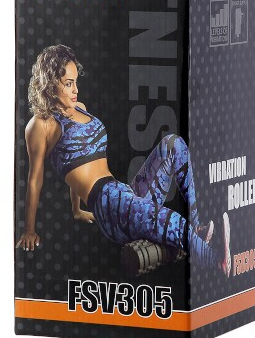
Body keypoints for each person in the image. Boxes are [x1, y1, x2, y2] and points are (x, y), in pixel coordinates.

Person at [15, 44, 231, 276]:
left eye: (76, 81)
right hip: (109, 208)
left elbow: (75, 162)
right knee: (173, 220)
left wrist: (77, 210)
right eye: (68, 84)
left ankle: (197, 228)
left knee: (173, 144)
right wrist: (29, 230)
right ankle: (216, 261)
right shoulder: (41, 125)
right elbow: (35, 180)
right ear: (49, 84)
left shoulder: (80, 108)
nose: (76, 89)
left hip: (124, 194)